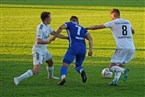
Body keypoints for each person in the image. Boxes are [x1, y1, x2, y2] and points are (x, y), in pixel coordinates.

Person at [14, 12, 68, 85]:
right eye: (50, 17)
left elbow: (55, 34)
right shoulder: (40, 28)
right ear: (46, 19)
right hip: (38, 50)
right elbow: (38, 41)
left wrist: (67, 38)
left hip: (44, 49)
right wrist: (48, 41)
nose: (51, 19)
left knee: (50, 62)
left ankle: (50, 76)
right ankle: (18, 79)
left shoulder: (47, 26)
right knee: (36, 70)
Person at [86, 9, 135, 86]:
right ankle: (115, 80)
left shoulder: (113, 23)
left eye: (111, 16)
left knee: (112, 67)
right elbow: (133, 31)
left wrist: (87, 28)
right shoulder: (127, 21)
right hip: (132, 48)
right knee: (119, 65)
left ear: (114, 15)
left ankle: (123, 71)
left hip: (121, 47)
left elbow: (99, 26)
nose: (111, 18)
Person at [49, 16, 93, 86]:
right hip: (83, 49)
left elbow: (61, 27)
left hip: (73, 47)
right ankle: (81, 71)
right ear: (78, 22)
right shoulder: (83, 28)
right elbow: (90, 38)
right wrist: (90, 50)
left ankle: (63, 78)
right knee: (77, 65)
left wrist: (54, 37)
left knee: (65, 64)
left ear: (71, 20)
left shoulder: (69, 24)